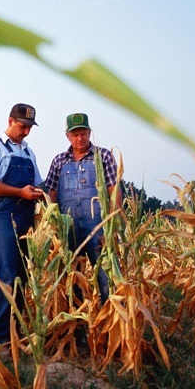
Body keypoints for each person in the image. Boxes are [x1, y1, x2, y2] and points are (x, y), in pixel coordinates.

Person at [0, 103, 45, 344]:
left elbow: (37, 184)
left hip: (25, 217)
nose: (26, 132)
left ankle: (15, 332)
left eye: (29, 128)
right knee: (6, 275)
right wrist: (20, 192)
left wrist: (43, 197)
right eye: (22, 126)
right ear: (10, 121)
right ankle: (0, 338)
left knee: (22, 276)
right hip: (2, 216)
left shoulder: (28, 152)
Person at [45, 112, 117, 305]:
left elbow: (114, 190)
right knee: (71, 277)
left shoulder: (103, 156)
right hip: (68, 230)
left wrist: (114, 221)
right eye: (75, 134)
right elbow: (51, 195)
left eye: (83, 133)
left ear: (89, 132)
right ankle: (76, 320)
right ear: (67, 136)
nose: (80, 138)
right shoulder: (59, 161)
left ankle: (109, 316)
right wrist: (53, 226)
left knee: (105, 274)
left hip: (98, 228)